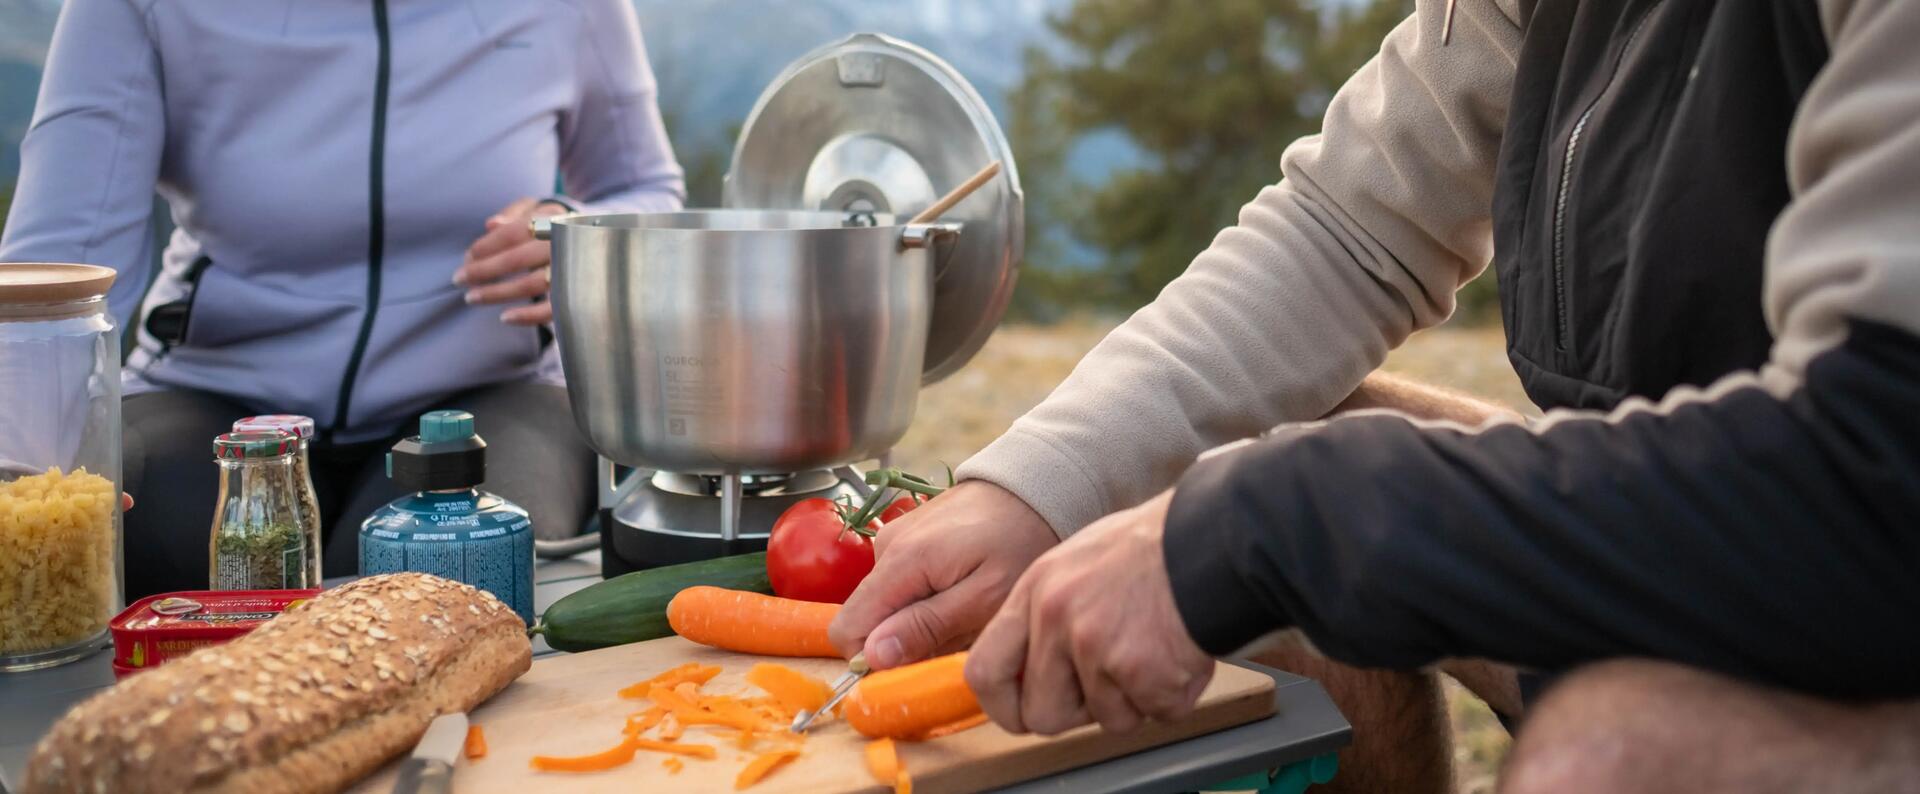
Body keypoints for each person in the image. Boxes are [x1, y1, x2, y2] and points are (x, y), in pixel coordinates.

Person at [829, 1, 1920, 791]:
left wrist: (1279, 516)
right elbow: (1350, 228)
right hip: (1703, 542)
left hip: (1860, 564)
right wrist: (1036, 489)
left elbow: (1877, 473)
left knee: (1618, 754)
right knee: (1258, 465)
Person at [0, 0, 683, 598]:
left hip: (493, 390)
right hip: (211, 391)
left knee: (441, 575)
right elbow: (53, 270)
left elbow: (649, 192)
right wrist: (22, 484)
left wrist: (575, 228)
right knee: (173, 559)